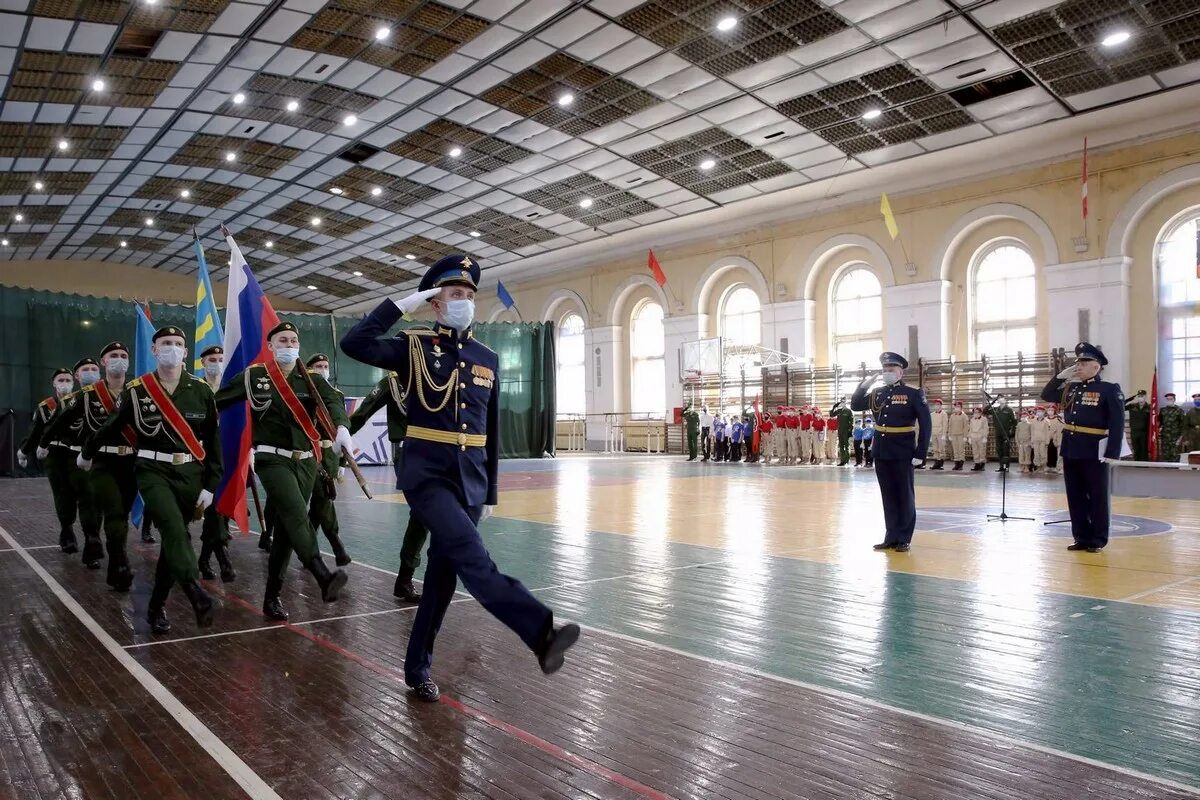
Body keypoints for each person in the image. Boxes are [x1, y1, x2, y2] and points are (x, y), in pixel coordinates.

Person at [340, 253, 579, 702]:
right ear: (436, 302)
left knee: (442, 581)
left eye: (469, 295)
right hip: (427, 478)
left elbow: (489, 433)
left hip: (470, 483)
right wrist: (402, 305)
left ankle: (417, 669)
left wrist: (488, 491)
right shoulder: (412, 348)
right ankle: (541, 631)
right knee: (476, 561)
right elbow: (355, 343)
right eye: (454, 294)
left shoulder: (486, 357)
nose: (463, 301)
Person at [80, 326, 222, 633]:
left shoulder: (201, 391)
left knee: (175, 540)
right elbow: (112, 425)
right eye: (165, 343)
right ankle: (196, 592)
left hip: (190, 474)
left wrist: (211, 484)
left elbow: (213, 443)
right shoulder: (138, 389)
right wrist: (88, 450)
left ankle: (156, 606)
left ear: (186, 353)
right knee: (173, 529)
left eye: (178, 344)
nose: (172, 348)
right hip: (151, 471)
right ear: (155, 350)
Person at [216, 322, 353, 622]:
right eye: (283, 340)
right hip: (271, 459)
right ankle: (322, 575)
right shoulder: (255, 376)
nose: (289, 344)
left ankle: (272, 597)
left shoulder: (312, 378)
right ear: (271, 346)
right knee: (295, 515)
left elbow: (334, 401)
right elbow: (220, 400)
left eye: (293, 339)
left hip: (306, 461)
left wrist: (342, 426)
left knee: (287, 533)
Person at [41, 343, 136, 588]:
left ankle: (112, 550)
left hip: (131, 462)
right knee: (108, 508)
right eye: (113, 356)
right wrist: (42, 442)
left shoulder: (138, 390)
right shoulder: (88, 394)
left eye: (123, 356)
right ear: (104, 362)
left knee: (121, 513)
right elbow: (60, 421)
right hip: (99, 460)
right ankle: (117, 559)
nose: (119, 360)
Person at [349, 370, 428, 603]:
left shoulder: (441, 375)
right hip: (410, 453)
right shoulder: (393, 383)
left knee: (433, 517)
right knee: (423, 514)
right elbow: (362, 414)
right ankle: (406, 579)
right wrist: (336, 437)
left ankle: (407, 580)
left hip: (444, 454)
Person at [1040, 342, 1124, 552]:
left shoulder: (1109, 389)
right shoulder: (1072, 388)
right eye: (1077, 362)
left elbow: (1117, 422)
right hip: (1071, 447)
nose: (1078, 366)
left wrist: (1113, 451)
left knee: (1097, 495)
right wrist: (1061, 376)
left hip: (1095, 449)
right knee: (1075, 495)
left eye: (1084, 362)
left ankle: (1097, 539)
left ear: (1096, 366)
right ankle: (1081, 537)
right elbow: (1047, 395)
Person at [851, 353, 930, 552]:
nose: (887, 373)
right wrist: (863, 386)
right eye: (885, 370)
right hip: (882, 450)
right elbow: (855, 405)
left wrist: (920, 452)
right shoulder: (877, 393)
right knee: (888, 496)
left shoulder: (913, 393)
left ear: (900, 372)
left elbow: (926, 424)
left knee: (904, 495)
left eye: (891, 370)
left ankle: (904, 537)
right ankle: (891, 536)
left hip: (903, 451)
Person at [41, 358, 104, 565]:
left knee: (95, 502)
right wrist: (37, 446)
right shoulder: (67, 402)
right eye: (85, 370)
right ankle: (70, 531)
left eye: (94, 369)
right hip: (67, 458)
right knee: (68, 497)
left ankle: (92, 541)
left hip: (99, 459)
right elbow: (50, 427)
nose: (90, 373)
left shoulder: (107, 398)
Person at [18, 368, 79, 552]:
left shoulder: (80, 401)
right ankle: (67, 531)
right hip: (53, 454)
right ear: (54, 383)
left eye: (68, 380)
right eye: (60, 380)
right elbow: (35, 432)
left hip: (75, 454)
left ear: (73, 383)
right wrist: (24, 451)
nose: (64, 383)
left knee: (76, 492)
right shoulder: (45, 407)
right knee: (61, 492)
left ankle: (73, 526)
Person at [304, 353, 352, 566]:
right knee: (322, 497)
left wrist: (341, 463)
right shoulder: (302, 391)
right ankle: (335, 542)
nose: (323, 369)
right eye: (317, 366)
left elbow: (339, 428)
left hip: (330, 455)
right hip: (309, 452)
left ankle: (308, 549)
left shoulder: (335, 394)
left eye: (325, 366)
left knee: (320, 502)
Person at [195, 345, 236, 583]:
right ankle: (224, 560)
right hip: (202, 458)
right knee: (214, 508)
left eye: (221, 359)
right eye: (212, 359)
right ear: (203, 363)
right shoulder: (196, 389)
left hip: (228, 456)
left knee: (221, 511)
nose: (217, 363)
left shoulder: (231, 389)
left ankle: (203, 558)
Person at [987, 397, 1016, 472]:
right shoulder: (995, 409)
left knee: (1006, 450)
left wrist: (1012, 433)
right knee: (999, 450)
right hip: (998, 432)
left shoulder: (1009, 410)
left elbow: (1014, 422)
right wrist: (993, 401)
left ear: (1005, 401)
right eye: (1000, 399)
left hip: (1006, 432)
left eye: (1003, 399)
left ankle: (1006, 466)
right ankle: (1001, 466)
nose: (1001, 400)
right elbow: (985, 411)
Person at [1158, 392, 1184, 463]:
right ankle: (1166, 472)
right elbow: (1160, 422)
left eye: (1171, 399)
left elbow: (1183, 425)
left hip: (1175, 437)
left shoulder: (1179, 410)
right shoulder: (1162, 410)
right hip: (1165, 437)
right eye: (1167, 399)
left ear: (1174, 399)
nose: (1169, 400)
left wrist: (1180, 438)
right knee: (1165, 456)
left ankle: (1175, 472)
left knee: (1175, 456)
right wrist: (1159, 429)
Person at [1124, 390, 1150, 461]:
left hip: (1144, 432)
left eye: (1142, 396)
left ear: (1145, 397)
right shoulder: (1132, 406)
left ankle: (1144, 465)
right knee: (1136, 449)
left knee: (1144, 450)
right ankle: (1136, 465)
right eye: (1139, 396)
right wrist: (1129, 400)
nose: (1140, 398)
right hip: (1134, 431)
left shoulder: (1149, 407)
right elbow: (1120, 406)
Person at [928, 398, 948, 470]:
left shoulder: (944, 414)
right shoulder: (932, 414)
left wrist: (944, 435)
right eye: (936, 404)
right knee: (935, 449)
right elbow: (930, 424)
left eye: (938, 404)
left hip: (940, 433)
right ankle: (936, 463)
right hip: (934, 433)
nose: (936, 406)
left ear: (941, 405)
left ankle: (941, 463)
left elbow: (945, 425)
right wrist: (930, 434)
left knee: (941, 449)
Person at [947, 400, 968, 470]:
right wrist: (949, 434)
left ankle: (961, 464)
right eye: (956, 406)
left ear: (961, 407)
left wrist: (965, 436)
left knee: (961, 450)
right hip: (953, 434)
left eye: (958, 406)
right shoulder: (952, 416)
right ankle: (956, 464)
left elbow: (966, 426)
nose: (957, 408)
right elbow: (950, 425)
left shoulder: (964, 416)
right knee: (955, 450)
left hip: (961, 435)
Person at [832, 397, 853, 466]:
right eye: (841, 402)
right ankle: (842, 461)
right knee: (841, 446)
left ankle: (847, 460)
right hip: (840, 430)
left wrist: (850, 431)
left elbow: (851, 422)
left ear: (846, 403)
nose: (842, 403)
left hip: (846, 431)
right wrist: (834, 407)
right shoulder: (839, 411)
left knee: (846, 446)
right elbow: (831, 415)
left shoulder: (848, 411)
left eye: (844, 402)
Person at [1030, 406, 1051, 472]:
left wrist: (1047, 441)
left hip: (1043, 440)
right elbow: (1032, 431)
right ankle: (1038, 467)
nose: (1039, 413)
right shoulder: (1033, 421)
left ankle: (1043, 467)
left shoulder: (1046, 421)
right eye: (1038, 411)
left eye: (1041, 412)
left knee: (1043, 454)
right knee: (1036, 454)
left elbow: (1048, 432)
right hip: (1035, 440)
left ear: (1044, 412)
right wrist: (1032, 441)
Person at [968, 407, 989, 471]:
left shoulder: (984, 419)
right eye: (974, 412)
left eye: (977, 412)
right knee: (975, 451)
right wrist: (969, 437)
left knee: (982, 451)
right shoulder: (972, 419)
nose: (976, 413)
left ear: (980, 413)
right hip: (973, 436)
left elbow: (986, 428)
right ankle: (976, 464)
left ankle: (982, 464)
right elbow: (970, 429)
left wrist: (985, 437)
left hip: (981, 436)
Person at [1046, 405, 1063, 474]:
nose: (1050, 411)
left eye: (1052, 410)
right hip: (1047, 438)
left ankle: (1056, 466)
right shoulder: (1045, 419)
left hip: (1055, 438)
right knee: (1047, 453)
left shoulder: (1057, 420)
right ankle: (1048, 466)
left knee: (1055, 453)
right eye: (1049, 410)